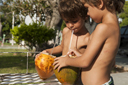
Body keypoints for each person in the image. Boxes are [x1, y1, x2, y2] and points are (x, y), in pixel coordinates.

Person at [53, 0, 125, 85]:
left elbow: (85, 62)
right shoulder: (113, 27)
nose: (87, 14)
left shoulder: (103, 28)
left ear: (100, 3)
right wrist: (80, 55)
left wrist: (65, 61)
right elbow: (106, 62)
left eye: (87, 8)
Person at [35, 0, 90, 84]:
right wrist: (48, 51)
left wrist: (77, 54)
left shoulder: (87, 38)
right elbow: (61, 47)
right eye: (67, 21)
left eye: (74, 21)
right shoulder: (66, 31)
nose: (70, 25)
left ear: (85, 16)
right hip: (61, 76)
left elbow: (88, 60)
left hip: (78, 79)